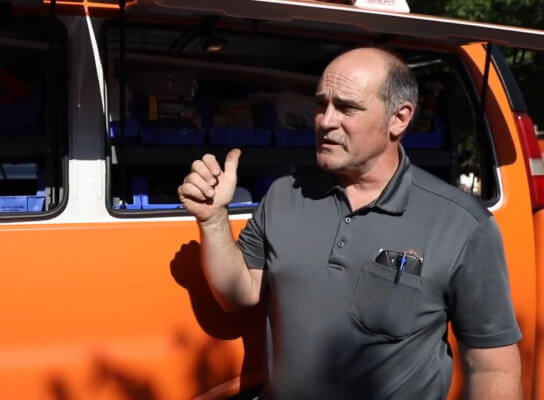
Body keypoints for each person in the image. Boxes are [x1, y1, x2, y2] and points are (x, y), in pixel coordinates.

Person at [177, 47, 522, 399]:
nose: (325, 121)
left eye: (347, 107)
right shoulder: (285, 195)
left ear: (399, 119)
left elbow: (492, 365)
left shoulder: (461, 224)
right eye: (320, 104)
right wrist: (213, 219)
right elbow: (240, 293)